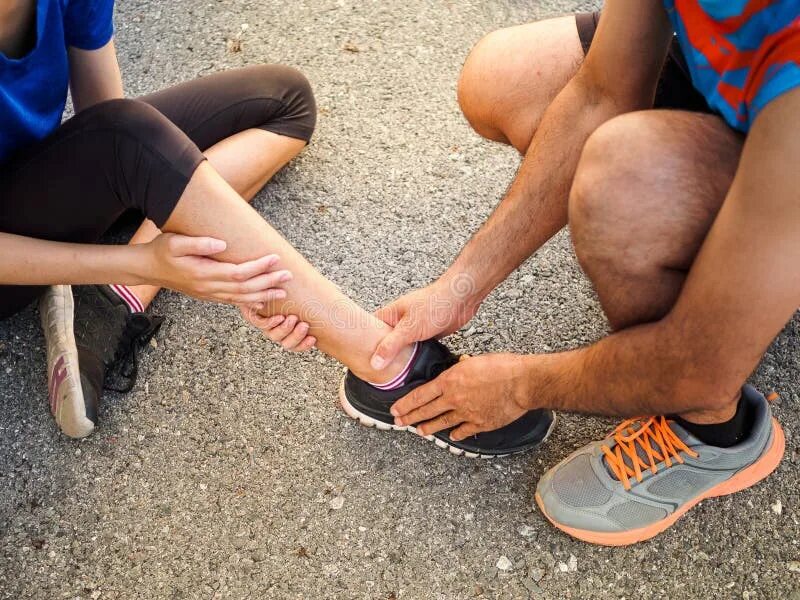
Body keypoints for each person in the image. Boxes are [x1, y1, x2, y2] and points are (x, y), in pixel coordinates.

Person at [268, 0, 799, 544]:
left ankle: (714, 432)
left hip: (788, 140)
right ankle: (720, 269)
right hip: (750, 96)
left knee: (627, 183)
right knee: (503, 77)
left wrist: (520, 385)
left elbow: (699, 366)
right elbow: (599, 94)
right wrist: (462, 283)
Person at [0, 0, 554, 455]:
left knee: (283, 100)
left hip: (31, 175)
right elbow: (118, 143)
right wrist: (138, 257)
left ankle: (113, 297)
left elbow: (107, 133)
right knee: (131, 143)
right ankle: (387, 366)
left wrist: (215, 245)